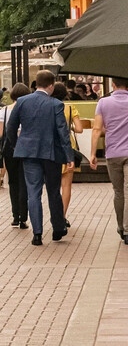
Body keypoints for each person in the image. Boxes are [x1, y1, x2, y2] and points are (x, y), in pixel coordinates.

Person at [6, 69, 74, 246]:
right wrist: (69, 156)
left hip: (28, 152)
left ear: (36, 83)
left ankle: (37, 234)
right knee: (53, 191)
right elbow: (63, 133)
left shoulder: (22, 101)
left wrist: (17, 145)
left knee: (33, 193)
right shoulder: (56, 105)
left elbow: (10, 128)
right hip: (51, 153)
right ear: (51, 86)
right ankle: (58, 228)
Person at [89, 76, 128, 245]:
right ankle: (127, 229)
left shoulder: (103, 103)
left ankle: (121, 227)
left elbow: (97, 128)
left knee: (118, 192)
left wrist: (92, 153)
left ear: (113, 84)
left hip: (113, 153)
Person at [51, 80, 82, 229]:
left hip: (51, 147)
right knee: (66, 185)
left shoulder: (48, 106)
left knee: (53, 185)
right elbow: (80, 129)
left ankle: (54, 216)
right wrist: (68, 128)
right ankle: (62, 216)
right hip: (68, 147)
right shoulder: (70, 108)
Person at [0, 83, 31, 229]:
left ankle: (15, 216)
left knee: (13, 182)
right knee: (24, 181)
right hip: (26, 148)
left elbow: (1, 133)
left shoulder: (4, 111)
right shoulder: (29, 111)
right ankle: (24, 216)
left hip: (10, 148)